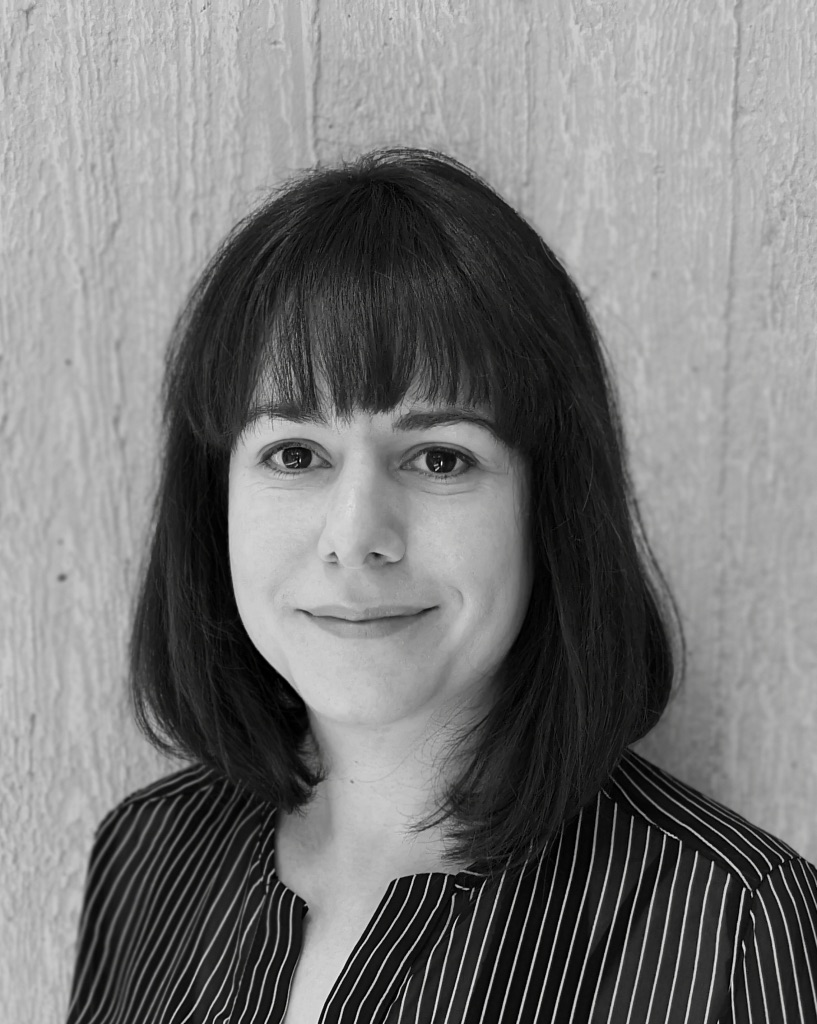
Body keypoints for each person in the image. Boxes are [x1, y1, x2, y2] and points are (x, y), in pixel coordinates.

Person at [66, 147, 817, 1024]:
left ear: (549, 506)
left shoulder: (737, 929)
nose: (355, 538)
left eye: (439, 458)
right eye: (295, 454)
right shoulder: (144, 857)